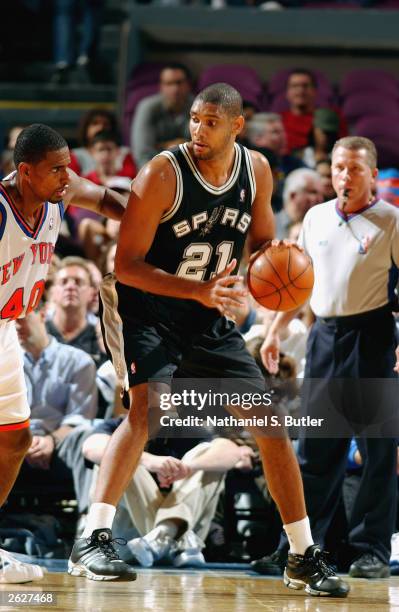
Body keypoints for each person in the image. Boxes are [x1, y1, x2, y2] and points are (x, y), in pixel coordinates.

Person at [69, 83, 348, 597]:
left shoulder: (257, 170)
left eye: (210, 122)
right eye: (194, 120)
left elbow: (261, 240)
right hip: (147, 306)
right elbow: (125, 267)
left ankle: (302, 555)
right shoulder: (162, 173)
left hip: (208, 310)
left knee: (269, 426)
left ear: (236, 126)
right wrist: (198, 291)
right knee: (145, 412)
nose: (198, 130)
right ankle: (91, 539)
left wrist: (275, 257)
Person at [260, 136, 399, 579]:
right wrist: (274, 331)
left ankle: (370, 549)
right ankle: (298, 548)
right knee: (314, 451)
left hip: (373, 336)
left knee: (378, 452)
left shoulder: (392, 222)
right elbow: (297, 283)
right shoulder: (315, 218)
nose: (345, 176)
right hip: (324, 336)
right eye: (339, 168)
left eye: (356, 168)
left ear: (373, 174)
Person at [0, 123, 130, 583]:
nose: (66, 176)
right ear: (24, 172)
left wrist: (155, 221)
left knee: (14, 440)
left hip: (6, 331)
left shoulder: (60, 189)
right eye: (56, 169)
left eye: (68, 166)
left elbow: (109, 202)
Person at [82, 417, 254, 568]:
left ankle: (163, 534)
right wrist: (149, 461)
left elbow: (230, 450)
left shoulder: (185, 428)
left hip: (178, 548)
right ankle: (169, 534)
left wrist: (187, 468)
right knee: (121, 455)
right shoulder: (117, 425)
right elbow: (90, 447)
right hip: (131, 543)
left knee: (207, 457)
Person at [131, 63, 193, 169]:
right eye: (169, 83)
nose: (175, 89)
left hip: (191, 170)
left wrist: (162, 146)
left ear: (188, 84)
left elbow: (205, 151)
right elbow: (142, 154)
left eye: (179, 83)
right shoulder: (147, 108)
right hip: (155, 171)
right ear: (161, 86)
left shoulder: (200, 107)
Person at [280, 69, 347, 156]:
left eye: (305, 86)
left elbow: (344, 148)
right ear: (287, 93)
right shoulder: (279, 120)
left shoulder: (330, 117)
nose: (301, 91)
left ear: (315, 91)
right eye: (295, 86)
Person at [275, 168, 323, 239]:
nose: (320, 199)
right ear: (293, 195)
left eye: (321, 194)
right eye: (313, 192)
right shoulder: (269, 225)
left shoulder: (321, 226)